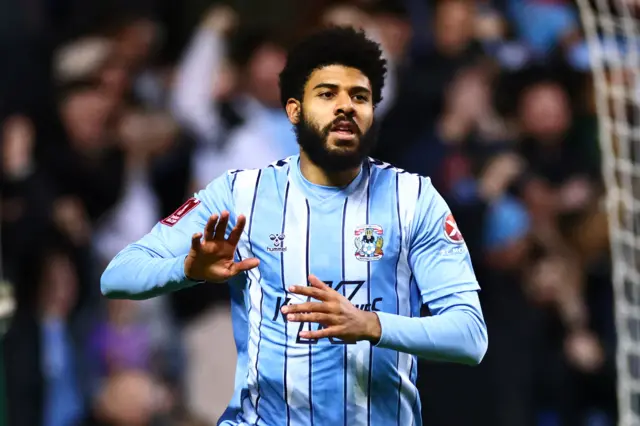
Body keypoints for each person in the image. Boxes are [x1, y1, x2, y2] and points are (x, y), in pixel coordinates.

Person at [101, 26, 488, 426]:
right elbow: (118, 275)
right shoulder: (241, 193)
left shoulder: (413, 199)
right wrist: (185, 270)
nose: (345, 108)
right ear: (294, 110)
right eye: (327, 94)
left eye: (359, 96)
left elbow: (470, 336)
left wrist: (370, 324)